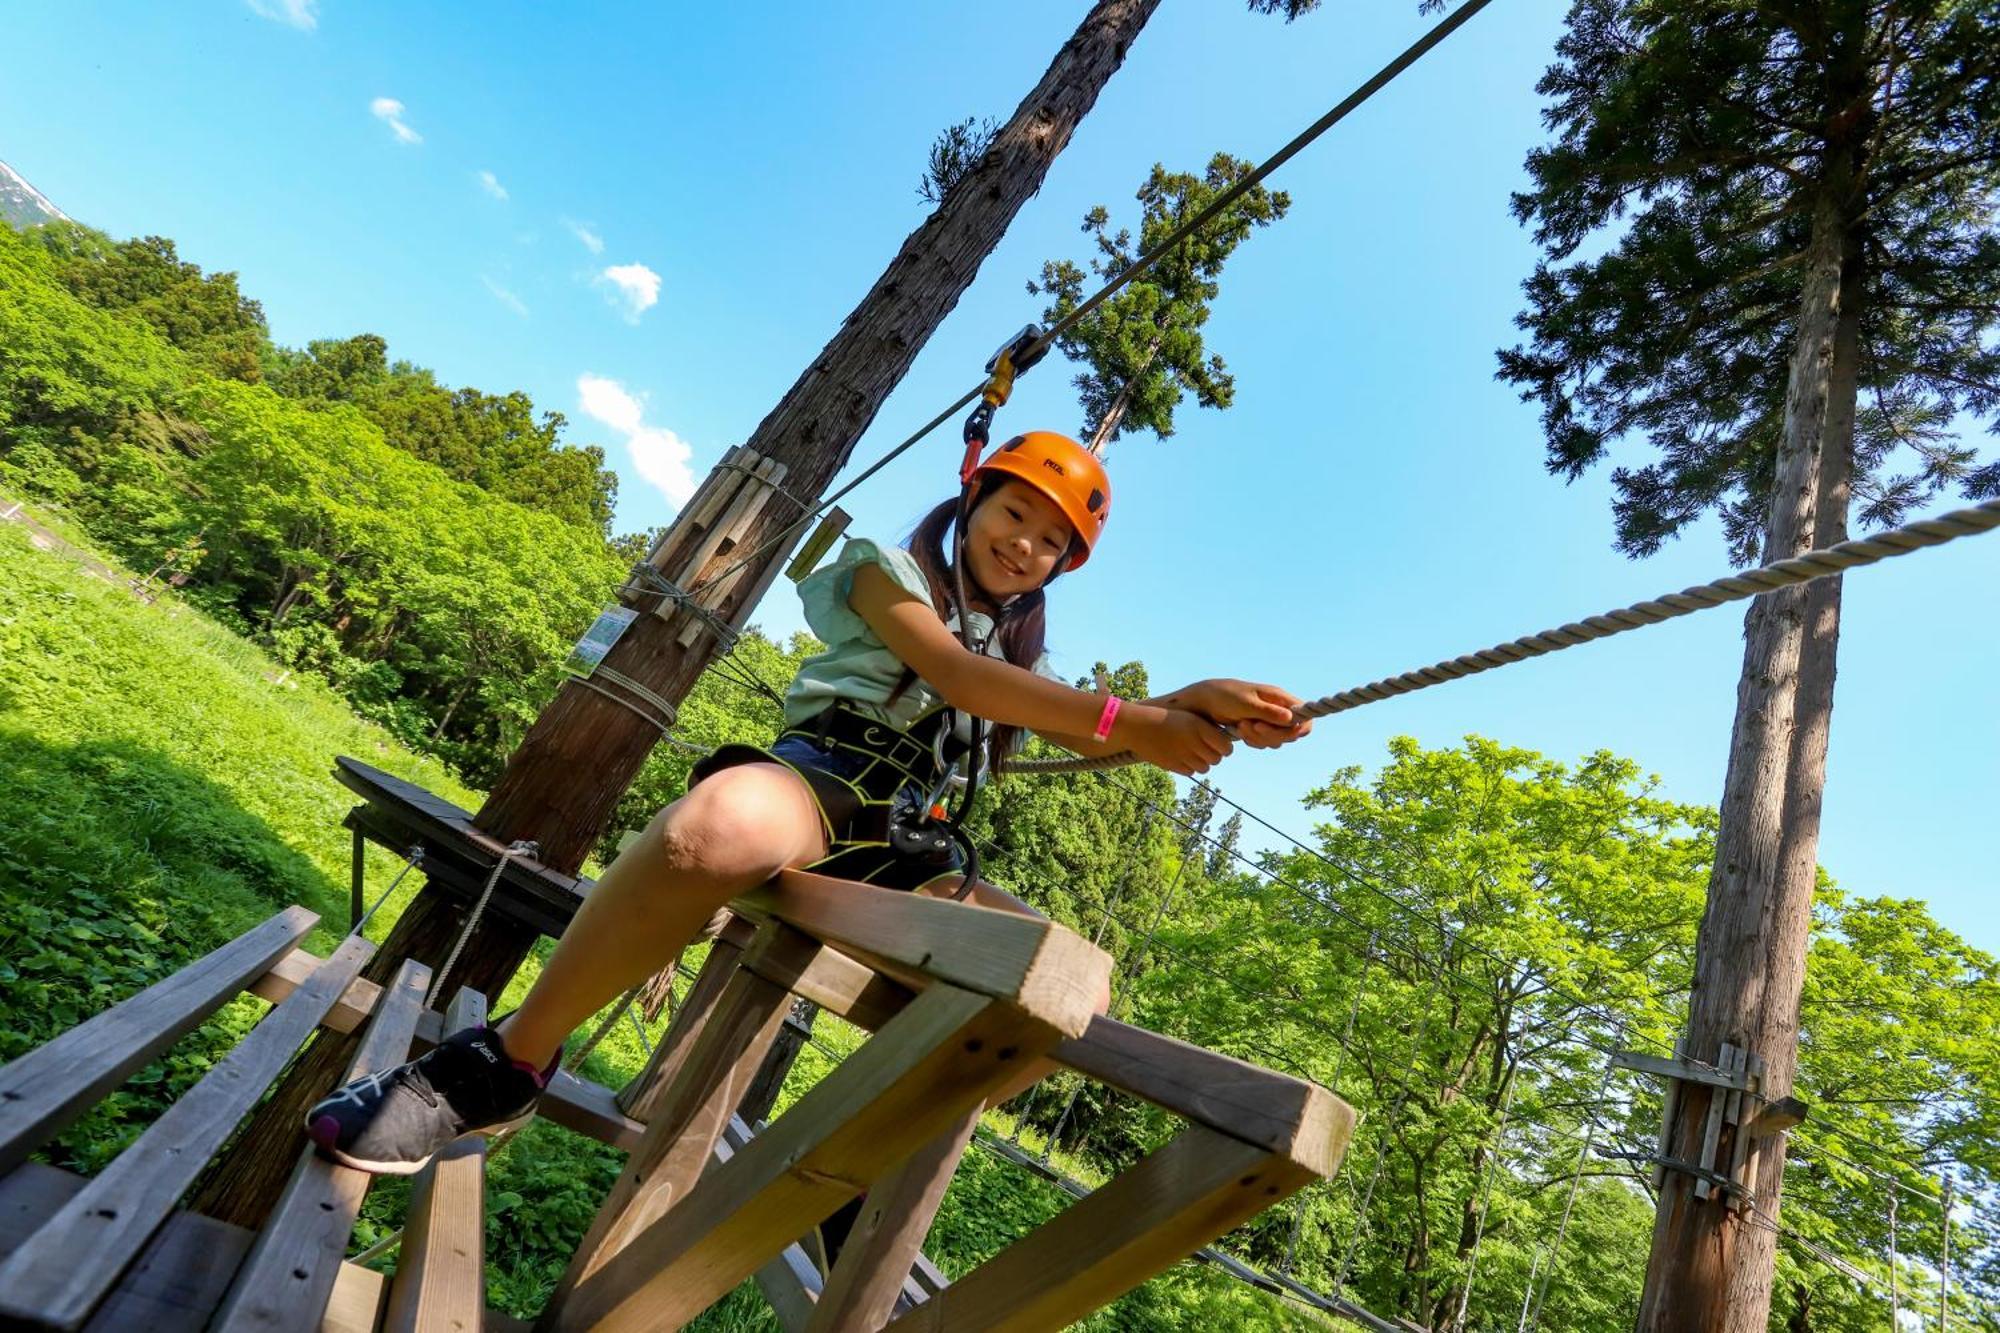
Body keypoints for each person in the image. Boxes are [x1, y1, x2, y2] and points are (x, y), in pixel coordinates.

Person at [303, 430, 1312, 1174]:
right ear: (972, 500)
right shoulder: (882, 571)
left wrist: (1185, 709)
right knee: (719, 829)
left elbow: (1018, 700)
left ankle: (844, 1170)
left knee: (1070, 989)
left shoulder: (1016, 655)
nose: (1024, 546)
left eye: (1050, 542)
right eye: (1014, 515)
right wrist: (1140, 719)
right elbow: (954, 677)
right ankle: (506, 1065)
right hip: (820, 783)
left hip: (912, 841)